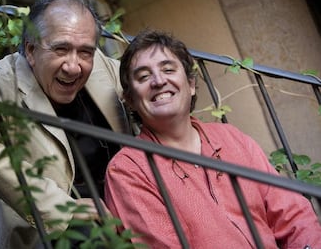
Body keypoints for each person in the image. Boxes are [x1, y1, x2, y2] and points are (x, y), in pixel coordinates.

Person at [104, 29, 321, 248]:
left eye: (168, 69)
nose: (158, 81)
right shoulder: (127, 170)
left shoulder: (231, 138)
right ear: (130, 100)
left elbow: (293, 214)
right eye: (143, 76)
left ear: (191, 84)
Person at [0, 0, 133, 248]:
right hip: (44, 233)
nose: (74, 66)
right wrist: (63, 209)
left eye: (84, 52)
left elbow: (142, 88)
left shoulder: (97, 62)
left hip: (115, 217)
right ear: (30, 50)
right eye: (61, 49)